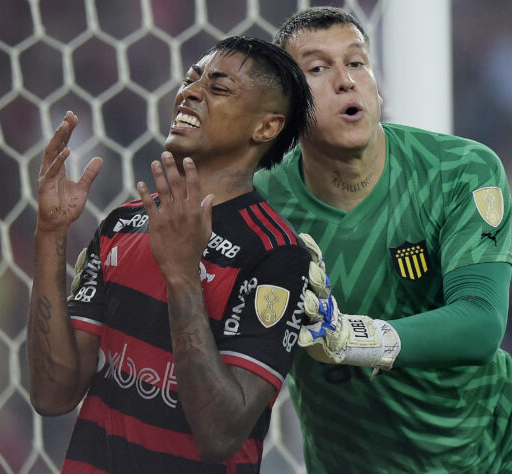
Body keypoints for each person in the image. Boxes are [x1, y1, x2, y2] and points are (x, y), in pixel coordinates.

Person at [253, 7, 512, 473]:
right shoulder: (261, 206)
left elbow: (481, 321)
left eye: (356, 62)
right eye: (316, 68)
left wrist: (352, 337)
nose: (346, 80)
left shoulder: (459, 171)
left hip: (488, 460)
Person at [26, 36, 315, 473]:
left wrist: (182, 276)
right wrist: (50, 233)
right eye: (190, 79)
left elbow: (221, 433)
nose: (190, 92)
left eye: (218, 88)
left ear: (266, 127)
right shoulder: (122, 224)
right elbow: (52, 394)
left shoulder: (277, 255)